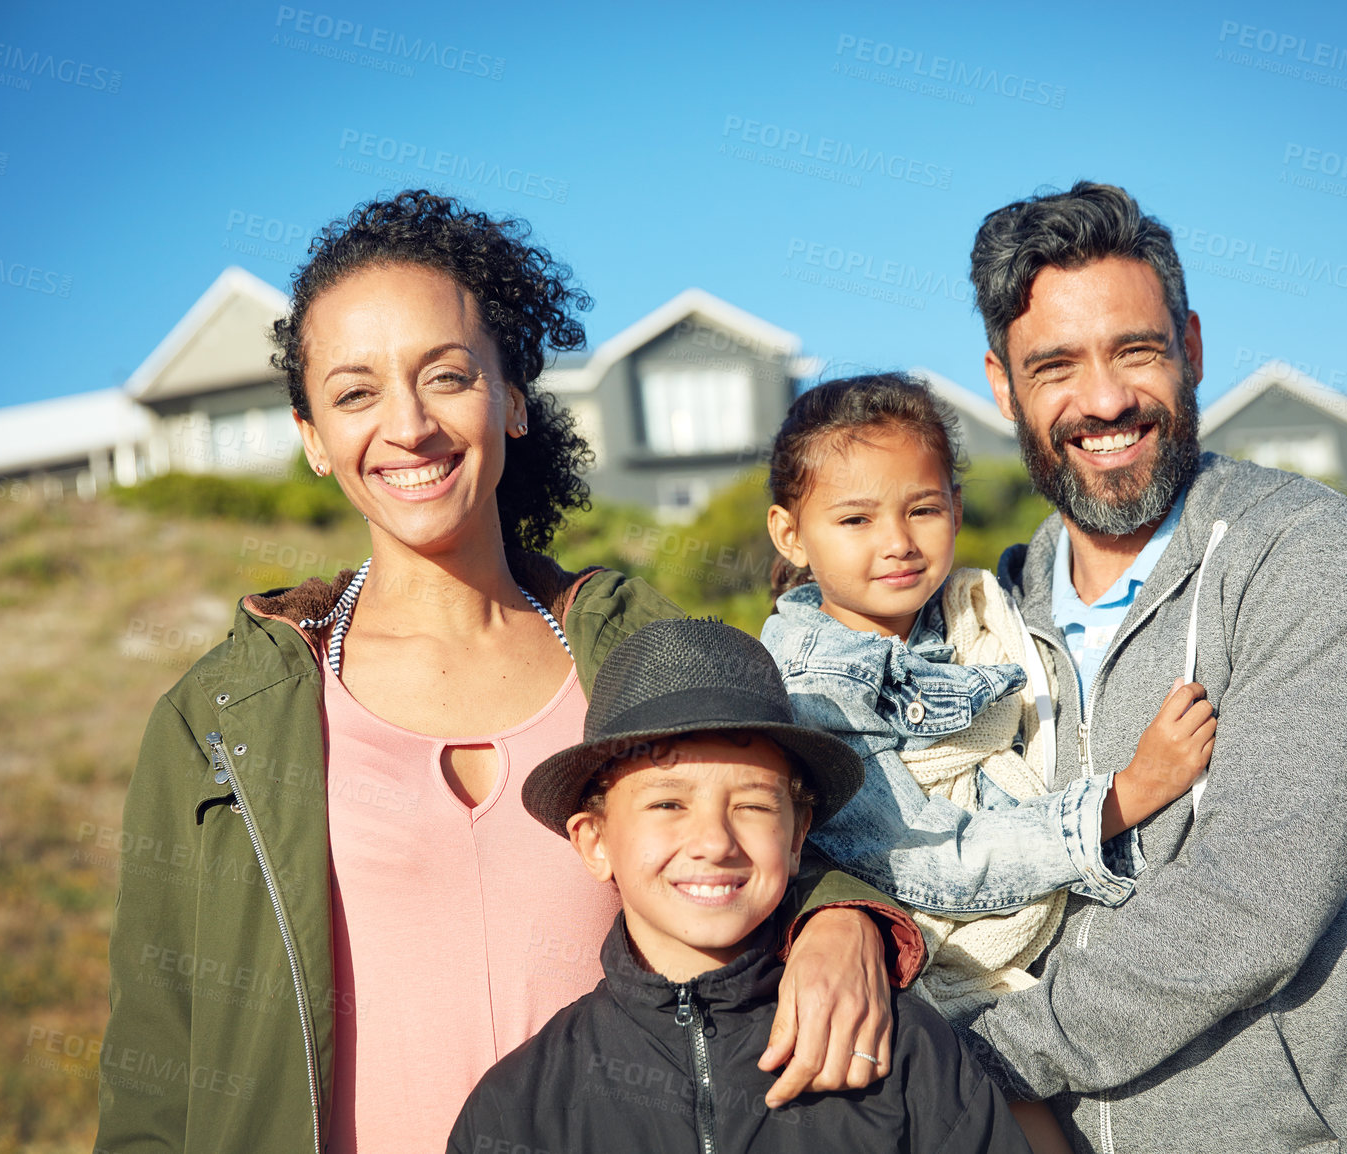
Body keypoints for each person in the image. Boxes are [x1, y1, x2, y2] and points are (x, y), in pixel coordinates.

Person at [94, 190, 924, 1153]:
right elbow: (153, 1062)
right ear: (313, 438)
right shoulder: (224, 717)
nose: (407, 426)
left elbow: (773, 830)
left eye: (446, 377)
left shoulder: (636, 651)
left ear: (514, 399)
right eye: (356, 393)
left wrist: (842, 920)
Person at [951, 181, 1347, 1152]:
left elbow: (1253, 897)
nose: (1104, 401)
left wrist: (974, 1059)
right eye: (1055, 364)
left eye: (1135, 349)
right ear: (1003, 385)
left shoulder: (1312, 556)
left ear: (1193, 348)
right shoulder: (987, 616)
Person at [756, 373, 1214, 1151]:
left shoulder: (977, 617)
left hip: (1019, 974)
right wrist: (1127, 796)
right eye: (855, 518)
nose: (897, 541)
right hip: (920, 982)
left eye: (922, 509)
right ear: (790, 534)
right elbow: (923, 858)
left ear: (956, 510)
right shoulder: (813, 688)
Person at [450, 617, 1033, 1153]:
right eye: (668, 803)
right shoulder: (521, 1106)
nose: (716, 842)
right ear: (594, 841)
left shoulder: (900, 1049)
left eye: (753, 805)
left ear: (798, 834)